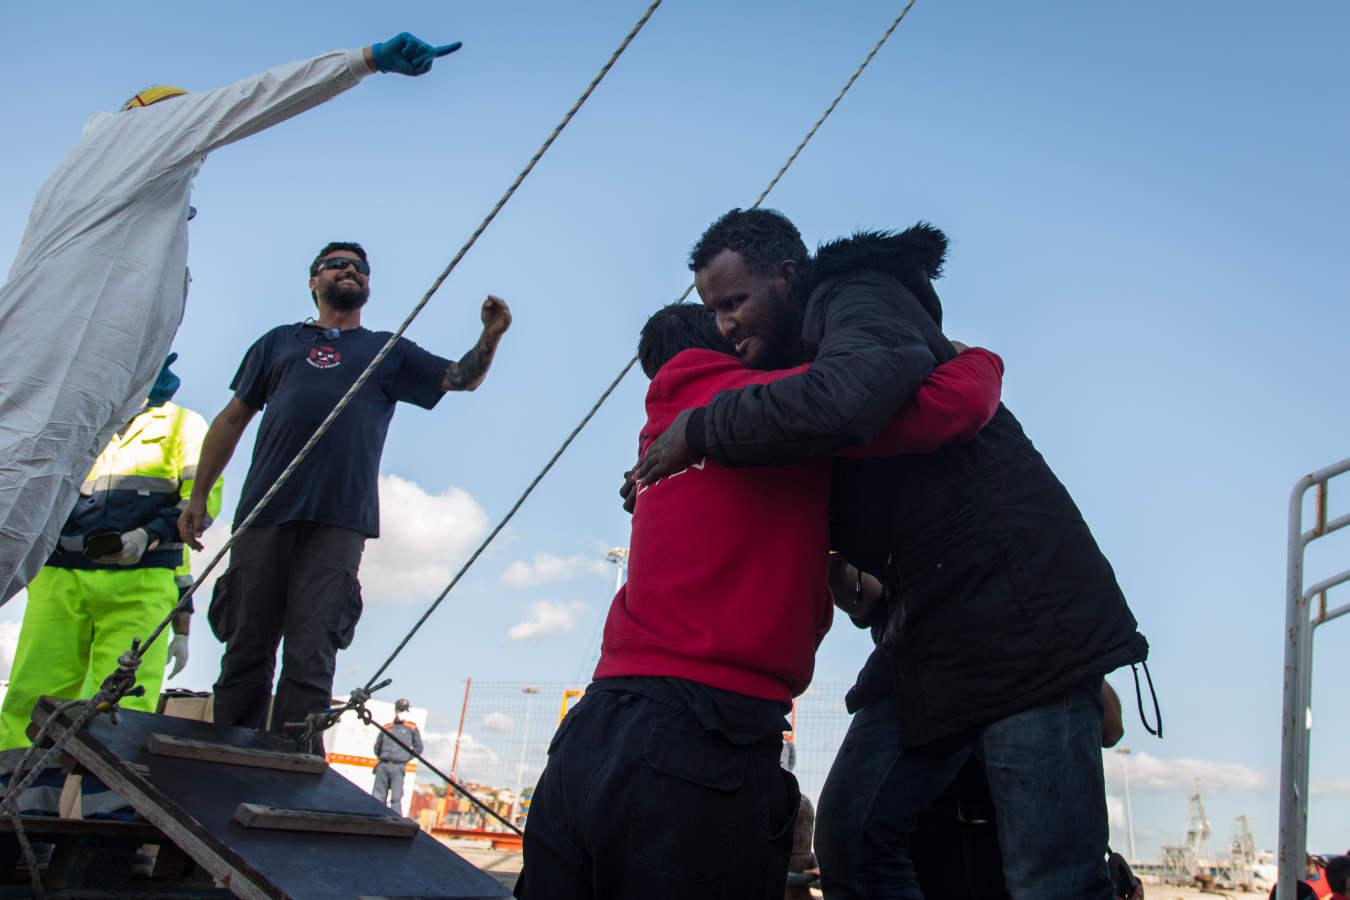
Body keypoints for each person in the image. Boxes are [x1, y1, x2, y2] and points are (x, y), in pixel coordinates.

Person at [631, 208, 1150, 899]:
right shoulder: (788, 388)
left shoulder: (857, 294)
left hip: (1023, 622)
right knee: (850, 838)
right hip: (929, 635)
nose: (725, 323)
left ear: (788, 277)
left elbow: (850, 399)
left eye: (735, 302)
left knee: (1049, 879)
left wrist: (701, 427)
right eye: (712, 310)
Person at [516, 302, 1003, 899]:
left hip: (593, 729)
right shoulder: (778, 408)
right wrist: (975, 357)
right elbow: (955, 404)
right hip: (705, 736)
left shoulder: (657, 435)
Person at [0, 30, 462, 605]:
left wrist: (137, 391)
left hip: (67, 414)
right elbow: (253, 98)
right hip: (41, 404)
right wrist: (361, 61)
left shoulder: (136, 211)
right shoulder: (131, 136)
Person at [178, 242, 511, 749]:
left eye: (360, 267)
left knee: (313, 651)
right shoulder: (277, 344)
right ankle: (228, 757)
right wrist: (198, 496)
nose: (350, 270)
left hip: (339, 520)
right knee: (247, 643)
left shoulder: (387, 349)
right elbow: (230, 419)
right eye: (337, 264)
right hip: (265, 514)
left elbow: (457, 379)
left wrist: (491, 336)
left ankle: (292, 768)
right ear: (314, 282)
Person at [0, 385, 222, 752]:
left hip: (141, 580)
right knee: (33, 694)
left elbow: (201, 502)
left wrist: (145, 537)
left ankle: (107, 806)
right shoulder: (80, 417)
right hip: (59, 576)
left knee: (123, 706)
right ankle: (15, 798)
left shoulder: (184, 425)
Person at [372, 698, 422, 815]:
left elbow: (418, 747)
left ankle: (394, 821)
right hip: (383, 765)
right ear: (396, 710)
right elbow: (377, 747)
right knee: (378, 796)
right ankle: (376, 817)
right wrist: (383, 757)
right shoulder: (387, 727)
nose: (402, 713)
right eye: (400, 710)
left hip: (399, 766)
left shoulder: (411, 728)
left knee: (396, 797)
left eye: (404, 710)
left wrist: (405, 757)